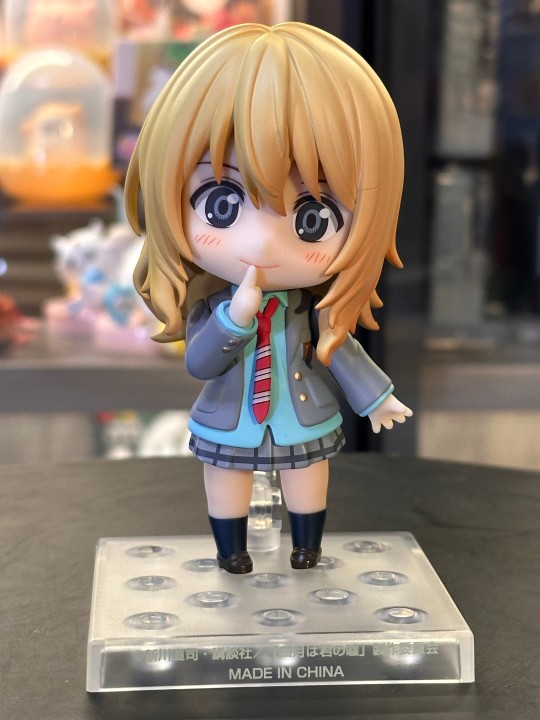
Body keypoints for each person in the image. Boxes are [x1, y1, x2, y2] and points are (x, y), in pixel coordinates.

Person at [125, 22, 412, 574]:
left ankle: (308, 546)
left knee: (309, 476)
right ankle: (229, 551)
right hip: (229, 418)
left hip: (302, 415)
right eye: (222, 204)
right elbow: (200, 362)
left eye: (312, 217)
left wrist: (376, 398)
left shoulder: (310, 312)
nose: (261, 243)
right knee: (225, 479)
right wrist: (234, 319)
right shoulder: (212, 308)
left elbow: (339, 349)